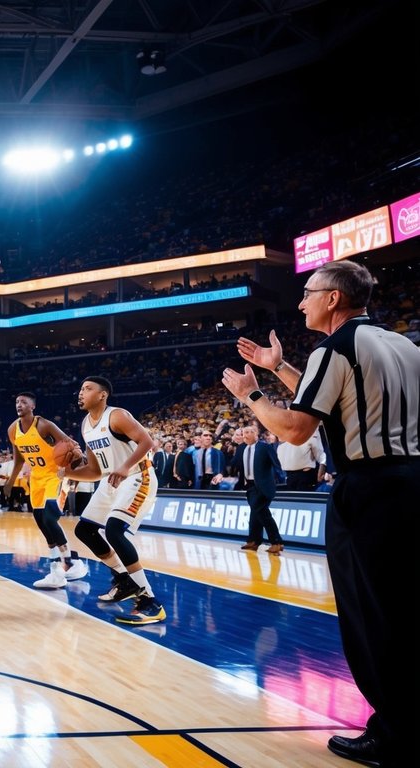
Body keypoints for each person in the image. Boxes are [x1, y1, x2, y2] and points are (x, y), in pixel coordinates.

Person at [222, 260, 419, 766]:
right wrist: (280, 368)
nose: (301, 301)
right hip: (411, 483)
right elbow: (341, 397)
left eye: (309, 292)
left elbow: (295, 430)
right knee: (406, 608)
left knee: (370, 617)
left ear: (333, 299)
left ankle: (394, 735)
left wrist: (253, 395)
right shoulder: (403, 345)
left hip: (369, 491)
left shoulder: (334, 348)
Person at [63, 376, 166, 625]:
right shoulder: (86, 425)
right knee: (84, 530)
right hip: (111, 480)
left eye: (87, 389)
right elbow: (95, 471)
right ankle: (124, 580)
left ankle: (150, 602)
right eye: (80, 388)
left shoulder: (117, 415)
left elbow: (147, 442)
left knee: (114, 531)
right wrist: (67, 472)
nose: (81, 393)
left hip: (137, 476)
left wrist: (125, 466)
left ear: (102, 395)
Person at [5, 393, 88, 589]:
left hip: (56, 476)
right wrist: (10, 481)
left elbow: (71, 445)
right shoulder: (12, 429)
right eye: (16, 401)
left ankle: (61, 567)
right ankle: (70, 562)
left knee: (50, 518)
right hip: (37, 478)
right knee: (42, 521)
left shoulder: (44, 425)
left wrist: (77, 464)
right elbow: (19, 459)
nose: (19, 404)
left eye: (24, 402)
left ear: (33, 406)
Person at [233, 423, 284, 554]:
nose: (246, 434)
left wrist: (282, 480)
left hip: (264, 486)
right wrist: (221, 473)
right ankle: (254, 541)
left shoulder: (265, 447)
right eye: (244, 432)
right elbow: (235, 465)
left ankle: (276, 542)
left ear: (256, 434)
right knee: (255, 512)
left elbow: (276, 464)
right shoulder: (241, 448)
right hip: (249, 486)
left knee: (261, 512)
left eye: (250, 432)